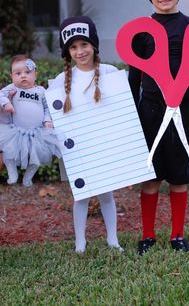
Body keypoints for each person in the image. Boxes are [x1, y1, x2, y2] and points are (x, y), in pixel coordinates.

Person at [128, 0, 189, 255]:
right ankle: (147, 235)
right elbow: (133, 78)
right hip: (148, 111)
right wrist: (129, 120)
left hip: (183, 110)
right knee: (150, 177)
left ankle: (177, 235)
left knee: (179, 176)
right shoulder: (141, 30)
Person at [49, 15, 123, 254]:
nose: (80, 51)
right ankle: (80, 242)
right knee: (80, 196)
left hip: (103, 144)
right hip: (78, 146)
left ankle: (112, 239)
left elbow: (123, 108)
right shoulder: (61, 81)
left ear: (94, 46)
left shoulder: (111, 73)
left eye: (84, 45)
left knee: (106, 194)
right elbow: (51, 111)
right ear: (67, 51)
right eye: (73, 47)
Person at [0, 55, 61, 187]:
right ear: (11, 76)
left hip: (37, 132)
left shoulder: (41, 91)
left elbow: (47, 107)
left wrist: (47, 120)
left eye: (27, 72)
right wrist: (6, 103)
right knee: (9, 152)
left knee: (37, 156)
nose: (23, 76)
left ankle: (28, 178)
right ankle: (12, 172)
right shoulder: (12, 88)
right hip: (15, 131)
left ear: (35, 74)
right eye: (18, 73)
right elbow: (0, 95)